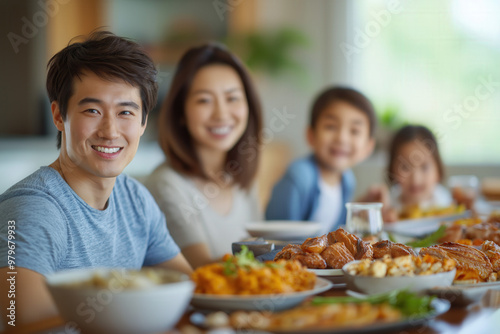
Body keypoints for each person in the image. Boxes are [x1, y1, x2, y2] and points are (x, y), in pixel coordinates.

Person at [0, 31, 191, 326]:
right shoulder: (32, 210)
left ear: (143, 123)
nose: (110, 131)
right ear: (59, 115)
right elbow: (18, 322)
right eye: (92, 110)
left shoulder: (135, 199)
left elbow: (188, 288)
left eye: (126, 112)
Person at [144, 43, 263, 269]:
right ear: (180, 113)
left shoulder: (243, 178)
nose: (221, 114)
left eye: (232, 98)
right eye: (204, 100)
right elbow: (203, 271)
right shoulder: (167, 184)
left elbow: (258, 253)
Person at [265, 87, 377, 234]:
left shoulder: (347, 181)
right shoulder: (299, 176)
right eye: (331, 127)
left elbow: (337, 232)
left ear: (368, 147)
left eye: (354, 131)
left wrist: (362, 207)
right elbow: (278, 235)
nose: (342, 138)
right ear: (311, 135)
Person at [386, 125, 452, 213]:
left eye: (424, 167)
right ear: (392, 170)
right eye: (405, 167)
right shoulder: (387, 205)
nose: (416, 179)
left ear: (438, 170)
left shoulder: (446, 203)